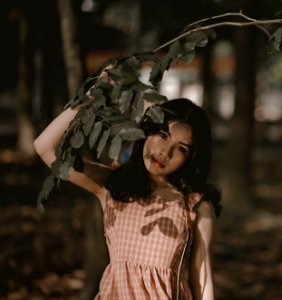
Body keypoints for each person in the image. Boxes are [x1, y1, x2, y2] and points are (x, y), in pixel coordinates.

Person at [34, 97, 221, 299]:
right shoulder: (112, 184)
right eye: (162, 134)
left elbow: (203, 282)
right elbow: (45, 148)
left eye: (181, 148)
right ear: (147, 130)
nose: (164, 152)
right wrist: (91, 97)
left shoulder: (195, 205)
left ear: (191, 158)